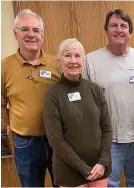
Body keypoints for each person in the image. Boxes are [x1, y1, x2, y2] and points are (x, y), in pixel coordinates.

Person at [82, 9, 134, 187]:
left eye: (124, 26)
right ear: (106, 30)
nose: (119, 30)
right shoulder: (90, 60)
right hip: (107, 141)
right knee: (108, 184)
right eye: (114, 25)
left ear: (130, 32)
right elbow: (83, 104)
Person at [1, 9, 60, 187]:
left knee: (63, 184)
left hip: (57, 141)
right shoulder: (4, 67)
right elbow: (2, 104)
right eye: (25, 29)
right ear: (15, 33)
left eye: (36, 30)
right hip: (25, 144)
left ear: (42, 36)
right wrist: (17, 126)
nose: (31, 35)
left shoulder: (56, 64)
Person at [43, 38, 112, 187]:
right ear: (59, 60)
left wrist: (103, 161)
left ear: (84, 59)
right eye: (67, 55)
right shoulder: (52, 94)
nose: (73, 60)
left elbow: (107, 128)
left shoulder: (95, 90)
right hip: (69, 170)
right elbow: (56, 139)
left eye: (77, 55)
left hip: (99, 167)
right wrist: (84, 169)